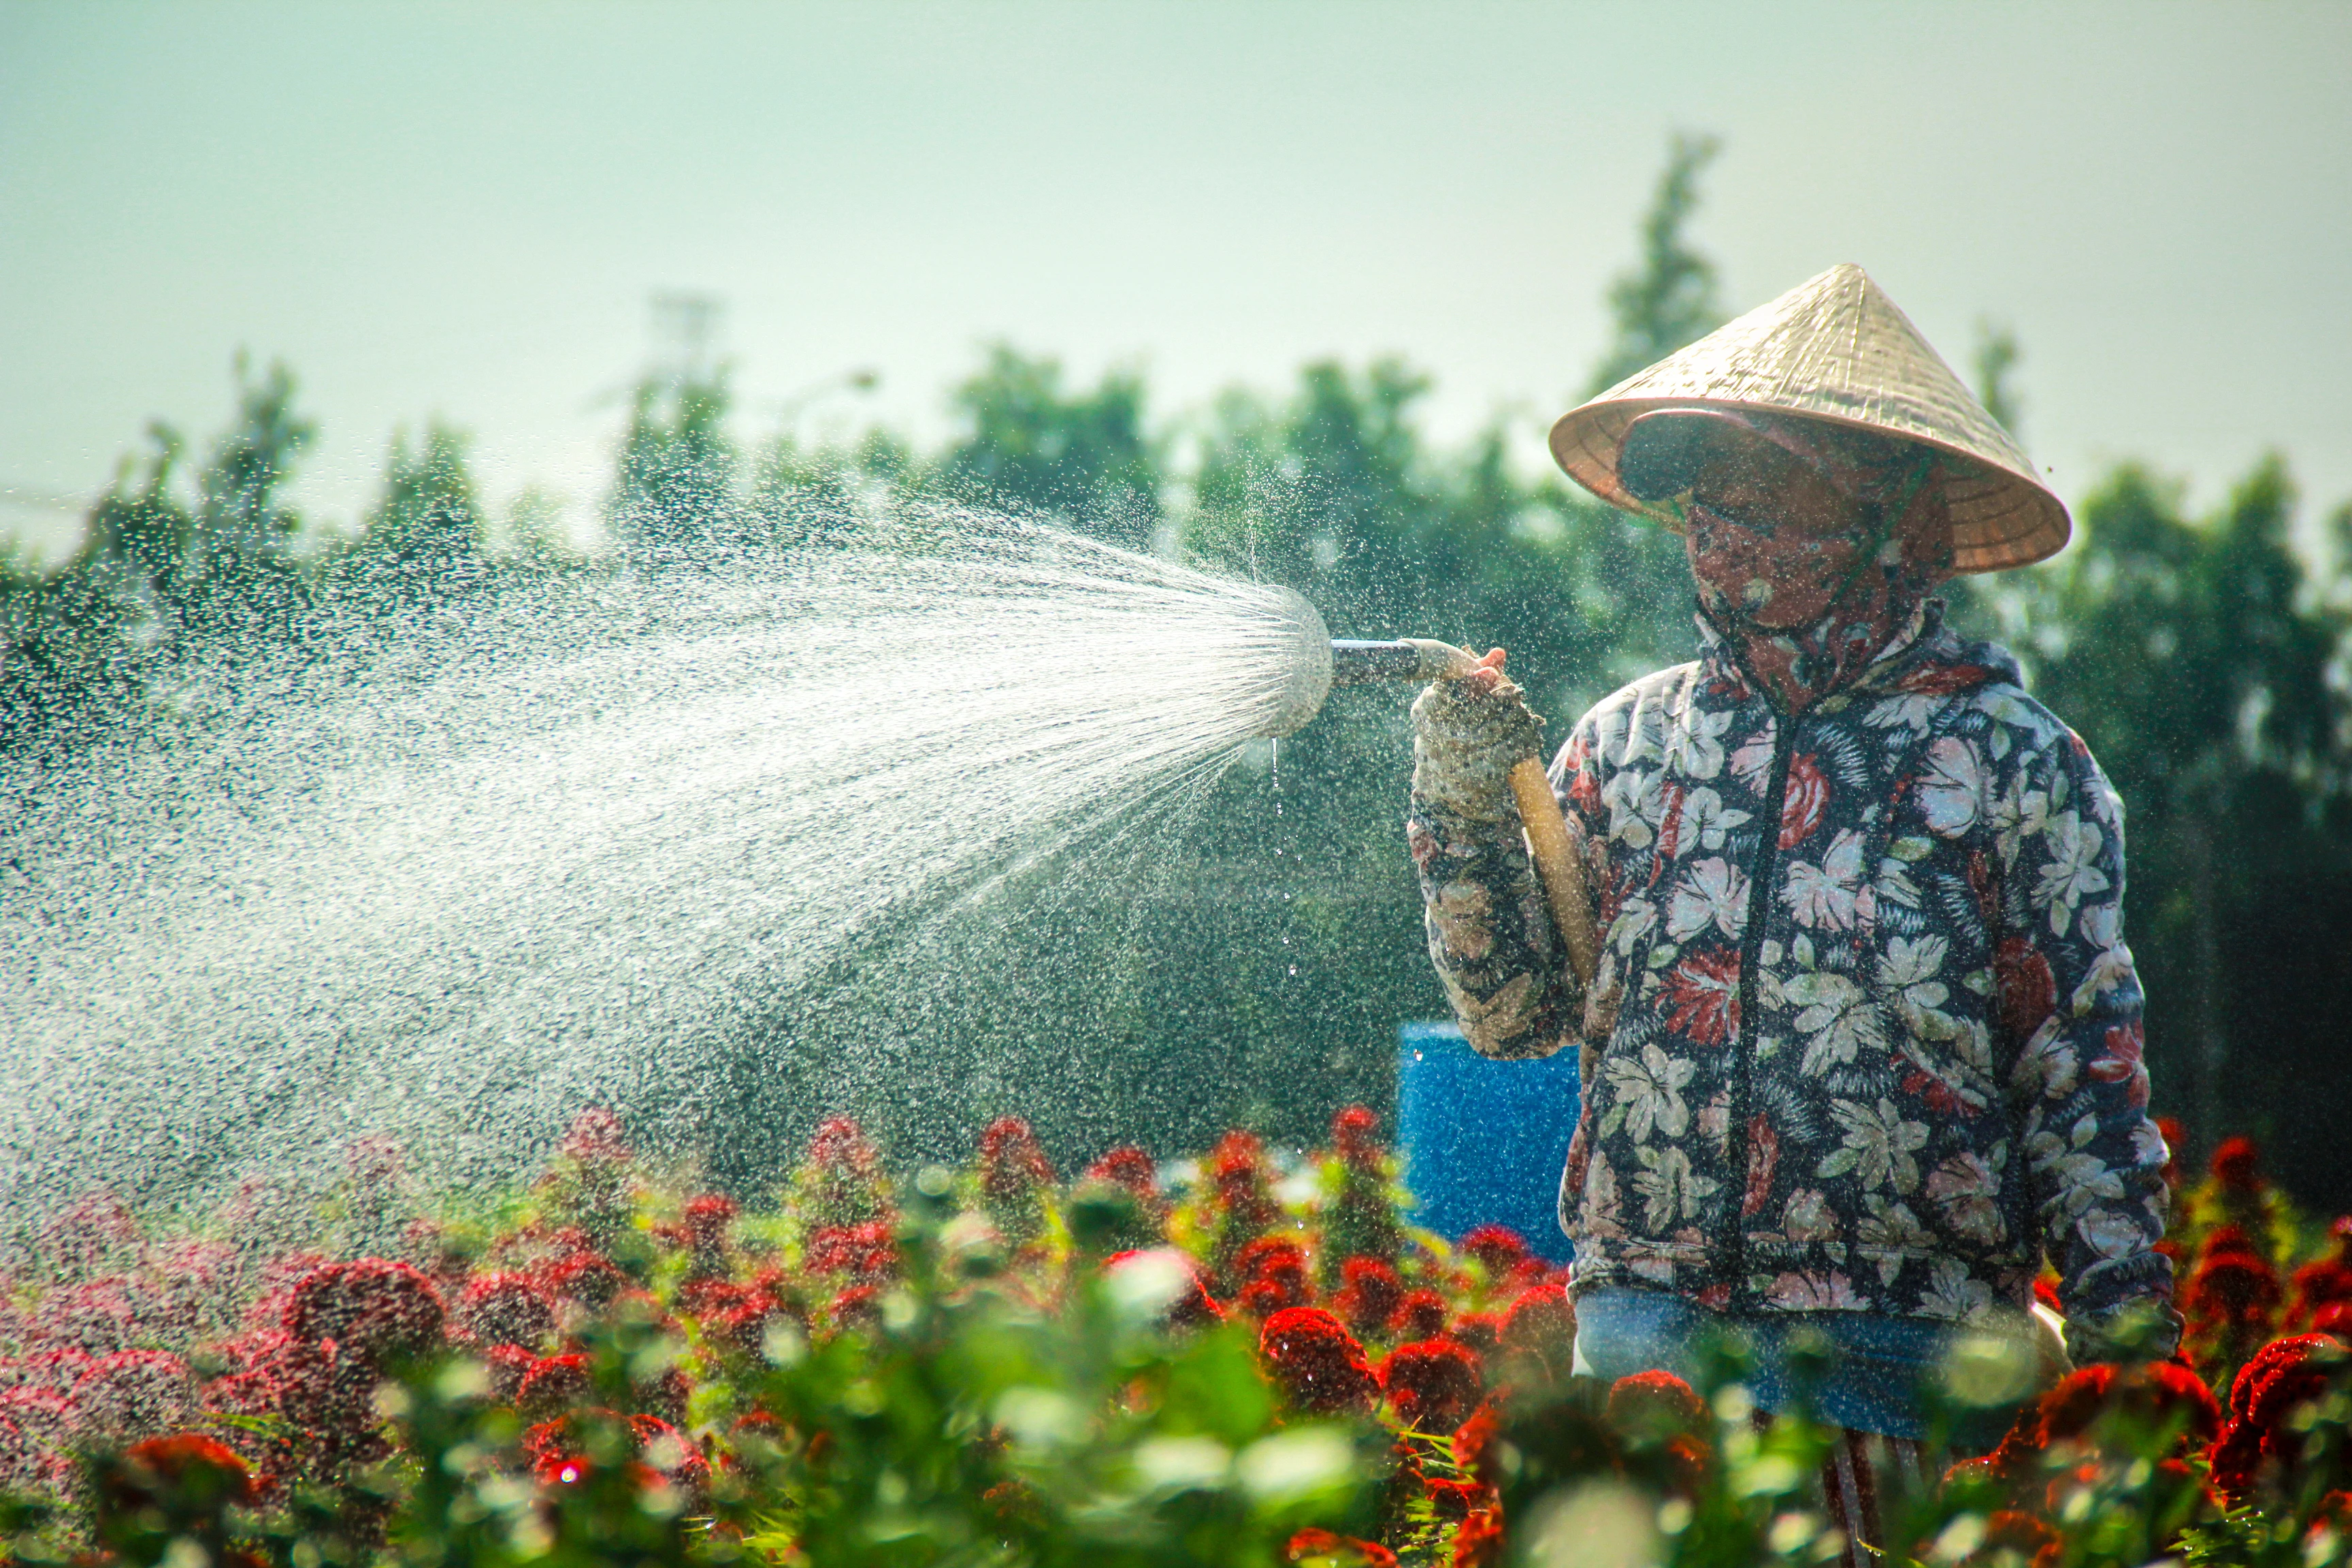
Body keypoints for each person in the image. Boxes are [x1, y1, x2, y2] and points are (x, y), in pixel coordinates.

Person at [1406, 264, 2178, 1548]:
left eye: (1776, 494)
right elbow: (1515, 1015)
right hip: (1642, 1351)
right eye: (1713, 496)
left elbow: (2082, 1086)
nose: (1728, 530)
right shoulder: (1630, 745)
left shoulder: (2012, 765)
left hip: (1897, 1366)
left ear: (1897, 521)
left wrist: (2130, 1379)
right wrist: (1467, 813)